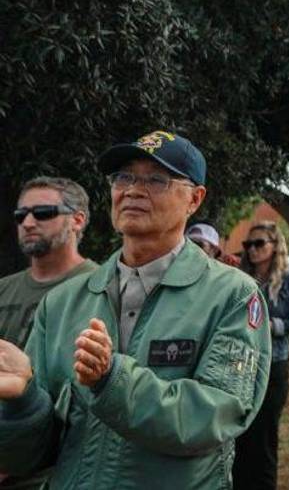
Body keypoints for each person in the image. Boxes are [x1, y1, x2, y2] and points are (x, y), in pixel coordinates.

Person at [0, 130, 270, 487]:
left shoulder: (232, 296)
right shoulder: (64, 302)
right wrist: (22, 402)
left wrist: (112, 380)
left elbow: (213, 417)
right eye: (123, 177)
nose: (132, 190)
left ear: (195, 199)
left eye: (156, 179)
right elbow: (34, 455)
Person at [0, 177, 98, 490]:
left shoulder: (101, 289)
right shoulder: (4, 289)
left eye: (43, 213)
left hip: (56, 471)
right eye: (21, 215)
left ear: (77, 220)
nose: (28, 222)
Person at [233, 221, 289, 490]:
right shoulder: (241, 279)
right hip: (241, 366)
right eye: (248, 245)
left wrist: (267, 324)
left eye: (259, 243)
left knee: (264, 440)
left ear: (275, 247)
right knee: (240, 437)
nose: (252, 250)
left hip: (273, 366)